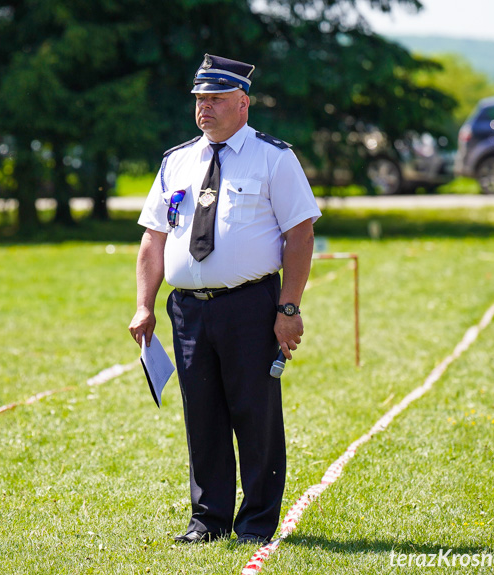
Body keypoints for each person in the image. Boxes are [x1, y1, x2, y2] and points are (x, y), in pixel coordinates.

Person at [128, 54, 321, 545]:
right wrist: (145, 305)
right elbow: (153, 238)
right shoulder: (177, 161)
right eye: (199, 100)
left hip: (250, 306)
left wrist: (289, 307)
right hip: (188, 309)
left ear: (243, 103)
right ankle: (207, 521)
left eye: (214, 99)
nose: (204, 109)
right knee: (202, 415)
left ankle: (257, 522)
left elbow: (300, 235)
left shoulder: (274, 157)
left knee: (254, 414)